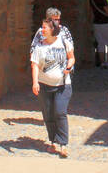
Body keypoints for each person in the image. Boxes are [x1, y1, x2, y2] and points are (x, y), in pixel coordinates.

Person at [30, 15, 75, 157]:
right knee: (48, 114)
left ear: (52, 30)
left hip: (63, 85)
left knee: (60, 112)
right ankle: (53, 141)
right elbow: (35, 65)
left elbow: (72, 57)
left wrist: (69, 66)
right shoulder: (39, 46)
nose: (41, 30)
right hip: (44, 85)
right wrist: (35, 82)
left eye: (44, 27)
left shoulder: (63, 41)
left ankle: (63, 144)